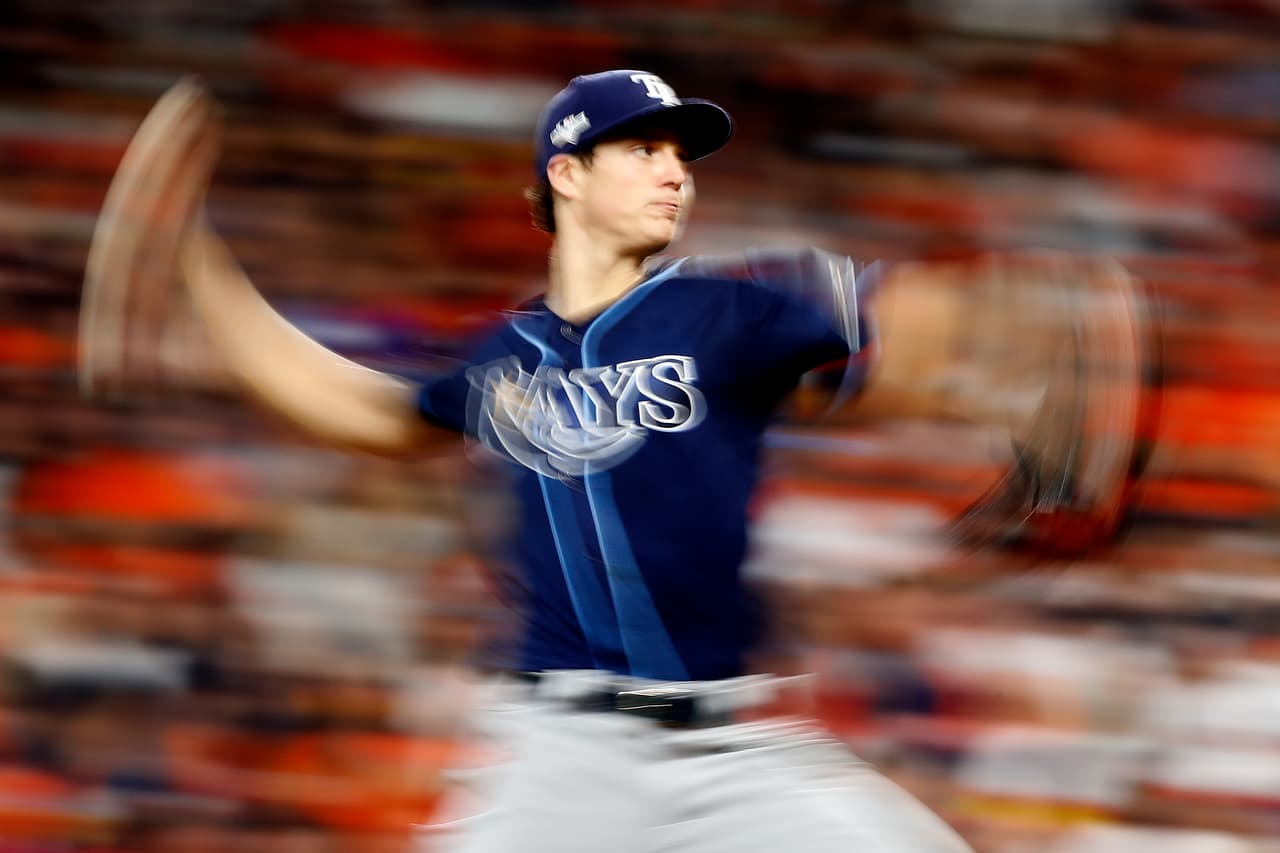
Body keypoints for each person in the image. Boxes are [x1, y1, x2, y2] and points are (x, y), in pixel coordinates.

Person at [178, 69, 1019, 852]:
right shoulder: (503, 353)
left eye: (682, 157)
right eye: (644, 149)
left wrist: (1013, 375)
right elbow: (371, 412)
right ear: (567, 174)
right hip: (563, 754)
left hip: (733, 749)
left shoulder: (727, 308)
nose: (676, 173)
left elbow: (910, 316)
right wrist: (201, 270)